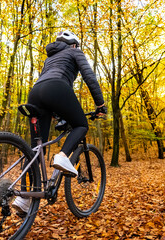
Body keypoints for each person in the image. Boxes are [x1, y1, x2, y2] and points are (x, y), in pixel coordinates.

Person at [12, 30, 107, 214]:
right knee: (81, 125)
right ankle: (63, 156)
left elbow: (47, 88)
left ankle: (23, 197)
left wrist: (57, 113)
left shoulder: (49, 60)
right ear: (73, 44)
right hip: (57, 87)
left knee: (37, 149)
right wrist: (100, 104)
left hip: (36, 93)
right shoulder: (75, 52)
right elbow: (89, 77)